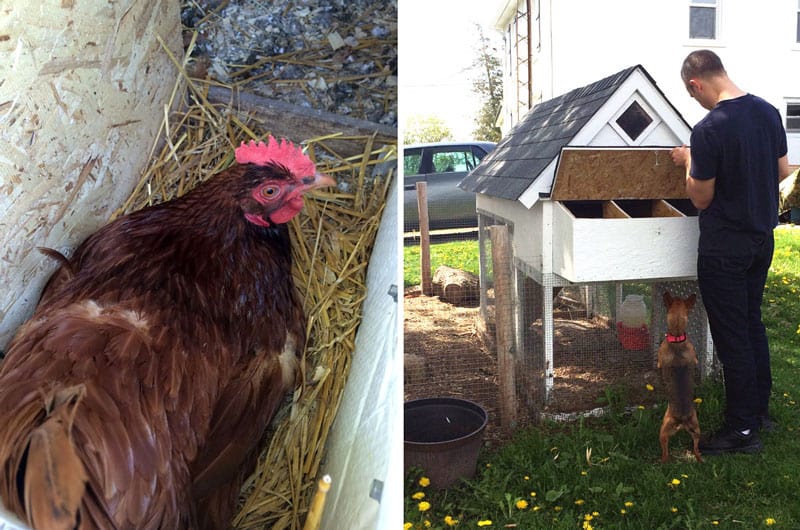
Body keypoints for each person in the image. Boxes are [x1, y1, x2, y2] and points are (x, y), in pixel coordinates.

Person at [671, 49, 790, 455]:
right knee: (752, 326)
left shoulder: (708, 130)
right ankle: (758, 414)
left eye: (693, 96)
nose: (697, 103)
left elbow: (701, 198)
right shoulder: (768, 113)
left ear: (696, 84)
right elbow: (782, 174)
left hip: (724, 248)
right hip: (762, 240)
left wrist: (689, 160)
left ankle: (741, 431)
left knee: (733, 338)